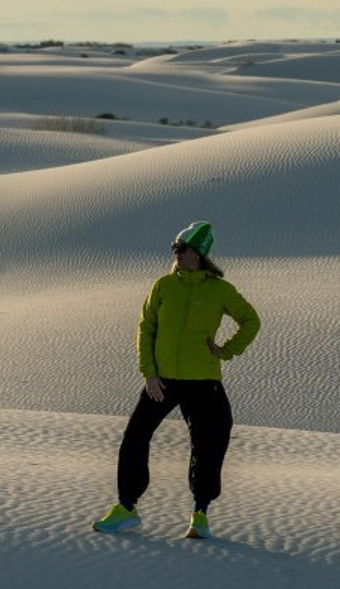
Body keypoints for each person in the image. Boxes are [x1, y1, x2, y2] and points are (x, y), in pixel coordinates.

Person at [93, 220, 260, 539]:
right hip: (163, 381)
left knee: (208, 445)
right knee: (134, 438)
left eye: (181, 249)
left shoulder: (220, 290)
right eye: (174, 248)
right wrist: (149, 373)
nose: (176, 254)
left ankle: (200, 515)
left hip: (203, 381)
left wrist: (226, 351)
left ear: (199, 253)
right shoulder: (163, 286)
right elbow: (146, 328)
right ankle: (127, 508)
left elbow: (251, 321)